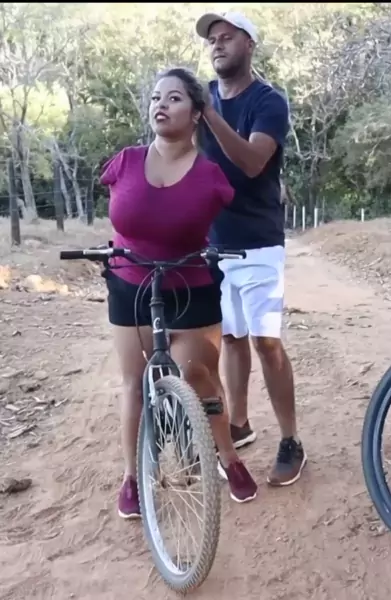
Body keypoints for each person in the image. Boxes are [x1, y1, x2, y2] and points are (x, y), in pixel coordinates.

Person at [99, 67, 258, 518]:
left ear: (196, 113)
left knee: (199, 376)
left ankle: (229, 457)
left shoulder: (211, 175)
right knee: (134, 382)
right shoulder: (125, 162)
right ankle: (132, 477)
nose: (161, 105)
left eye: (174, 98)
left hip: (190, 286)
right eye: (156, 97)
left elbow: (236, 209)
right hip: (130, 284)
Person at [195, 12, 307, 486]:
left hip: (259, 242)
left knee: (266, 341)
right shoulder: (203, 98)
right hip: (213, 243)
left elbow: (253, 162)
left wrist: (209, 114)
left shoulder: (268, 101)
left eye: (227, 38)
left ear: (249, 45)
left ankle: (291, 440)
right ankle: (239, 424)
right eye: (212, 40)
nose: (217, 45)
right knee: (232, 337)